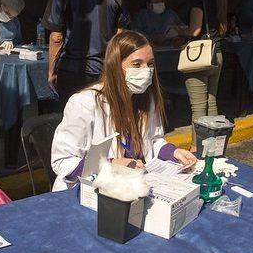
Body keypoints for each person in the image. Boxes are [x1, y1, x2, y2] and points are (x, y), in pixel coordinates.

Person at [50, 31, 197, 191]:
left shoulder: (146, 99)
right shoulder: (84, 103)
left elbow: (153, 141)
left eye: (150, 64)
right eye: (137, 64)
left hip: (130, 188)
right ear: (115, 66)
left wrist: (173, 152)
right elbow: (63, 161)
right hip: (86, 193)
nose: (146, 71)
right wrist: (111, 165)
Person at [41, 0, 129, 108]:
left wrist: (51, 71)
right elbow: (120, 33)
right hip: (105, 70)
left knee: (74, 121)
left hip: (72, 71)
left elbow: (56, 37)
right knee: (105, 117)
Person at [178, 0, 228, 122]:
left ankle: (197, 146)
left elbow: (195, 30)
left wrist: (178, 30)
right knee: (211, 103)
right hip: (217, 54)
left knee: (198, 108)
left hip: (199, 55)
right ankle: (213, 145)